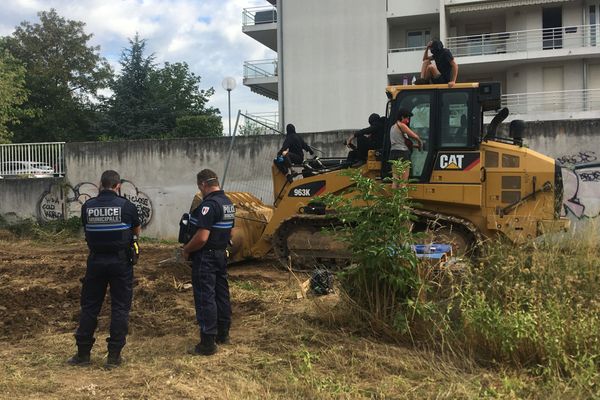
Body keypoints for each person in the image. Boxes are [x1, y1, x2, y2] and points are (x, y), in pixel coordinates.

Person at [68, 170, 141, 368]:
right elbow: (136, 230)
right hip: (120, 263)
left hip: (95, 262)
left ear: (100, 184)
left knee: (90, 307)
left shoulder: (88, 206)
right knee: (119, 307)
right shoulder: (127, 206)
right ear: (118, 186)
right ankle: (114, 357)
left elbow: (87, 230)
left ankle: (83, 355)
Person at [183, 169, 235, 356]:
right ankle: (223, 334)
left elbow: (202, 237)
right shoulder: (228, 203)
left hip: (206, 256)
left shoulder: (208, 205)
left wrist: (187, 249)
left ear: (203, 184)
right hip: (221, 254)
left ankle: (207, 343)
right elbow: (231, 233)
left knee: (205, 297)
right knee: (221, 294)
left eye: (200, 187)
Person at [389, 109, 423, 188]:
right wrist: (420, 143)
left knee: (395, 180)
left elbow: (399, 142)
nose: (407, 121)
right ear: (402, 117)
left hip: (393, 154)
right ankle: (402, 199)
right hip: (403, 154)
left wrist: (415, 146)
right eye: (407, 118)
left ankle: (395, 199)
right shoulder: (401, 125)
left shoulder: (392, 127)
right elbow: (416, 137)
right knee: (404, 180)